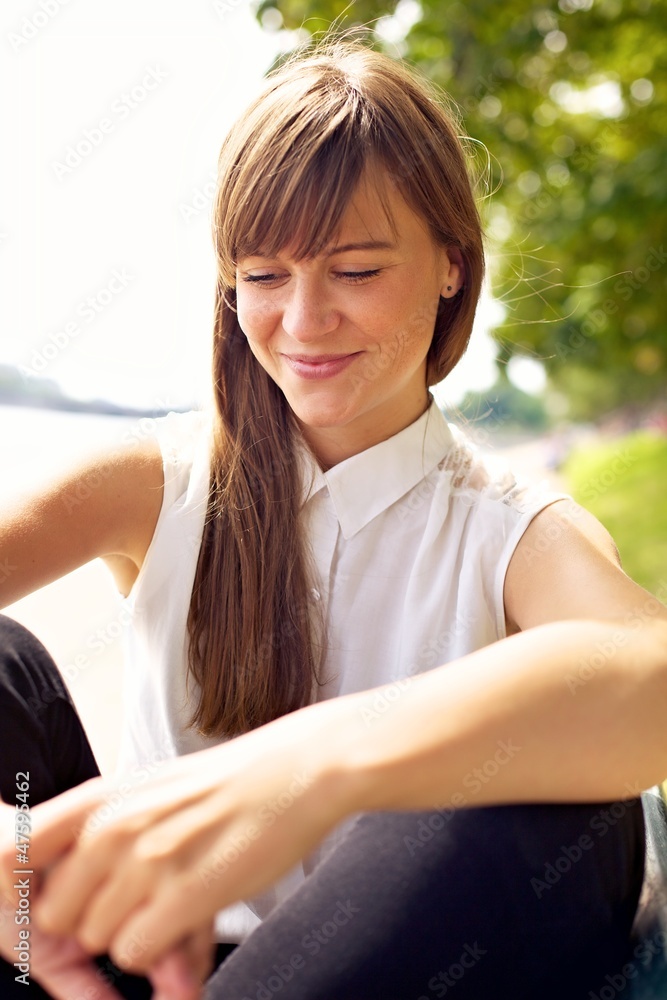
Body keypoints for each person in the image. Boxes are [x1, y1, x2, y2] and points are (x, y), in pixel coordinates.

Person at [1, 37, 666, 1000]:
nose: (303, 324)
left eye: (354, 272)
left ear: (450, 265)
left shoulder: (510, 528)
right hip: (123, 965)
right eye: (264, 277)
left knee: (536, 796)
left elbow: (646, 675)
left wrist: (321, 763)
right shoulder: (157, 480)